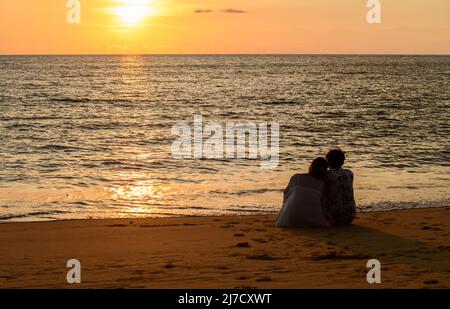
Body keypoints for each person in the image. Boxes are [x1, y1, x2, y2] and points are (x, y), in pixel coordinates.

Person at [276, 157, 330, 227]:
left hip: (289, 220)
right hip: (315, 221)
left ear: (311, 166)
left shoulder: (296, 177)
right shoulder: (321, 183)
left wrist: (281, 213)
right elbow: (323, 203)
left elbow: (286, 196)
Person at [324, 149, 356, 225]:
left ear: (328, 162)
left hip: (334, 218)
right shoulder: (349, 173)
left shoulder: (327, 175)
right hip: (350, 215)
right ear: (343, 161)